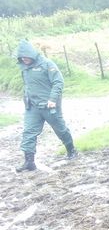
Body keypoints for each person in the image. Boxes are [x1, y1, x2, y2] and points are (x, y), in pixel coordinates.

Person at [14, 40, 77, 172]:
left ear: (32, 54)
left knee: (60, 129)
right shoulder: (24, 68)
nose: (24, 59)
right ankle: (29, 162)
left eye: (26, 56)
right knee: (28, 132)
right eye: (22, 57)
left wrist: (53, 99)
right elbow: (28, 85)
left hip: (49, 106)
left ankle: (71, 150)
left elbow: (58, 82)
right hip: (32, 107)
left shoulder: (47, 64)